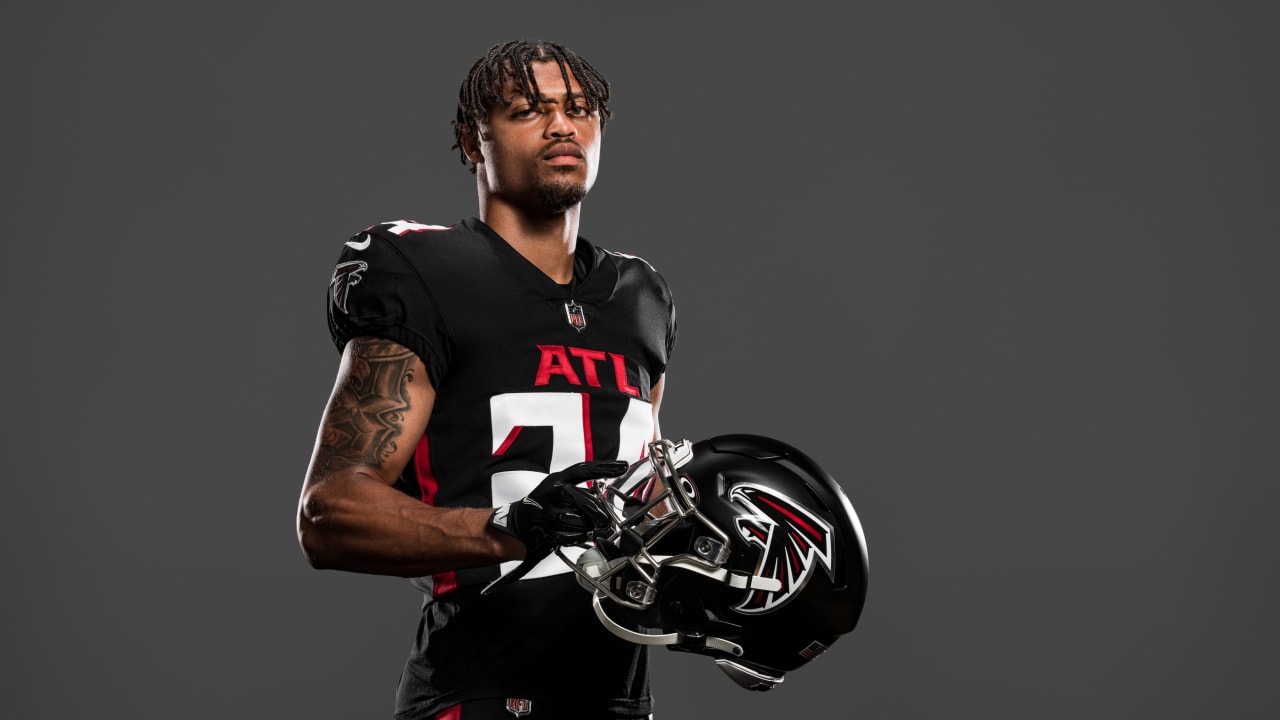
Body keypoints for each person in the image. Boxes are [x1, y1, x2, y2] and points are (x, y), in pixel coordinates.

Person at [297, 39, 676, 720]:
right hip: (481, 698)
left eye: (579, 109)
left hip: (619, 702)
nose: (563, 125)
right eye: (529, 110)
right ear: (473, 140)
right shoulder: (424, 271)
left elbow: (644, 505)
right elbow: (330, 512)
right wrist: (512, 526)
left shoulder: (640, 295)